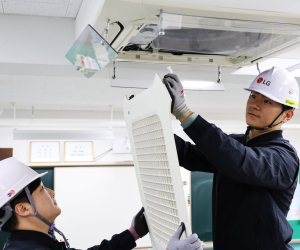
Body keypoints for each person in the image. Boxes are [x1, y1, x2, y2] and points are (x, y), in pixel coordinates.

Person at [163, 66, 300, 250]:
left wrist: (183, 113)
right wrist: (156, 123)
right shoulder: (236, 144)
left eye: (267, 101)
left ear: (287, 115)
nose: (254, 104)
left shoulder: (284, 157)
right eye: (253, 96)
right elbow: (189, 155)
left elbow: (240, 161)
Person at [0, 157, 201, 250]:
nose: (51, 192)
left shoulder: (32, 244)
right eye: (42, 189)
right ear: (23, 209)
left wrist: (132, 233)